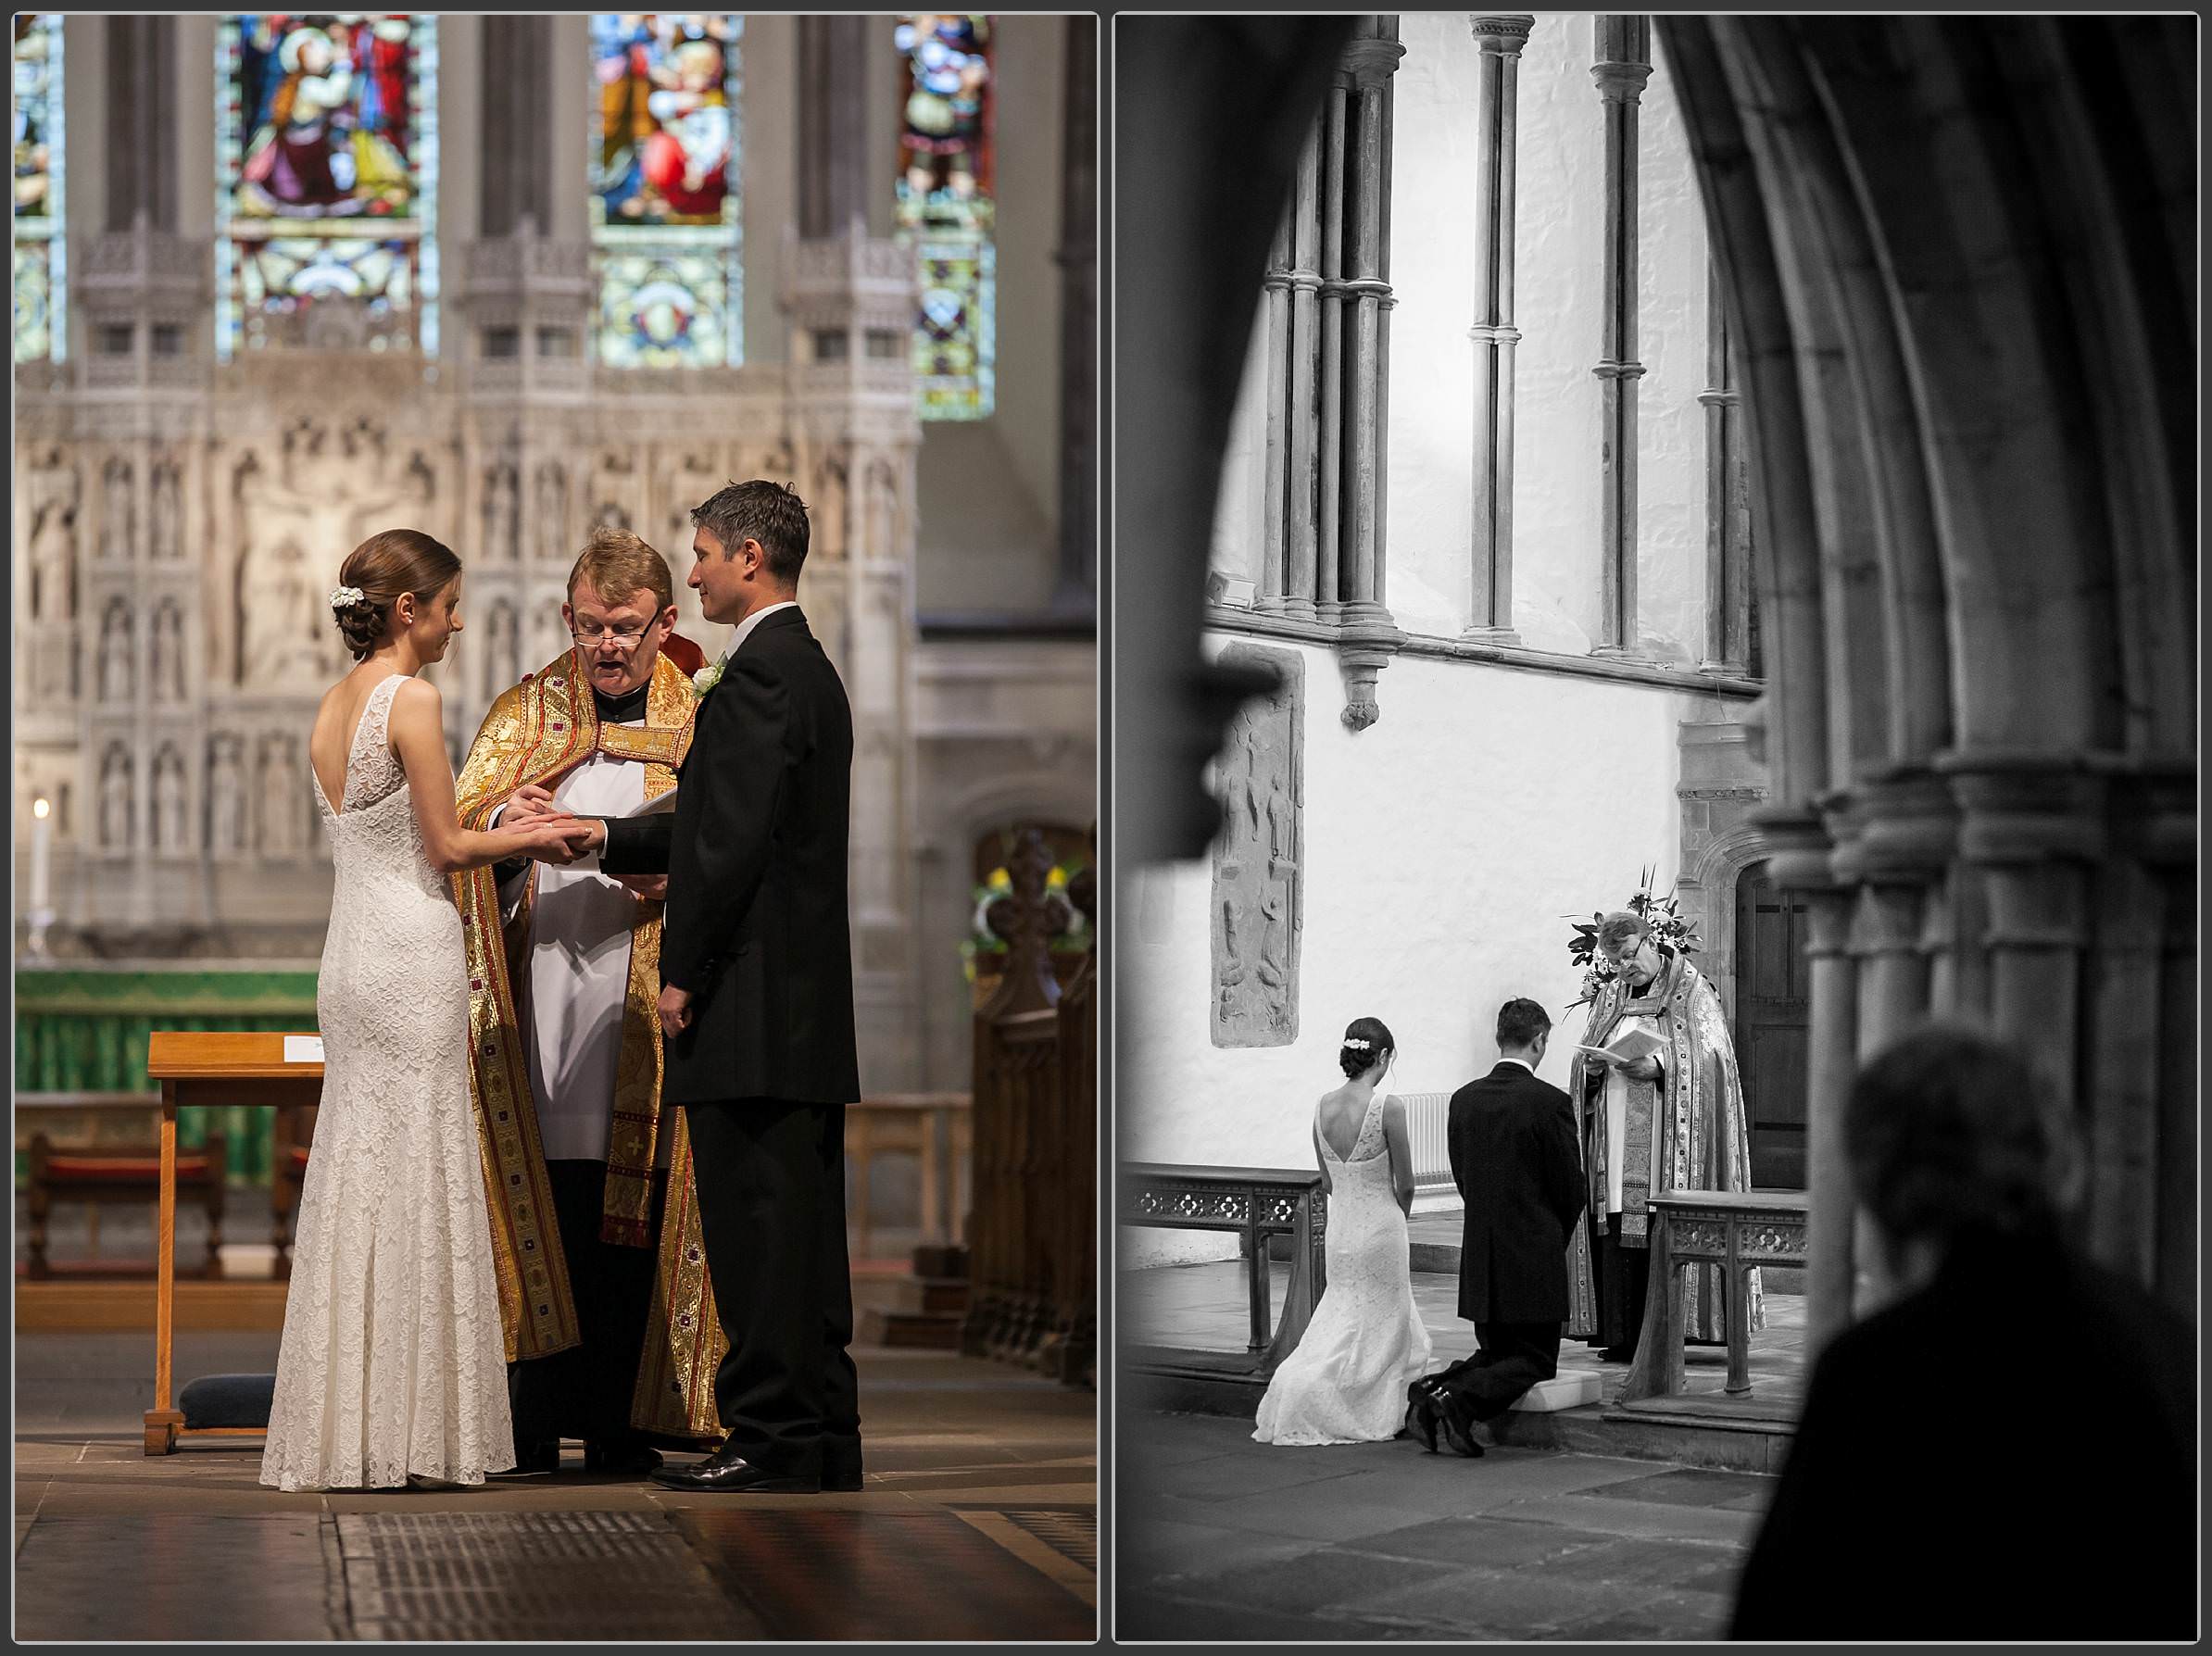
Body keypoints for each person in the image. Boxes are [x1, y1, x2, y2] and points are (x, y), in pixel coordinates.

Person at [261, 530, 591, 1492]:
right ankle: (413, 1434)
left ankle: (352, 1427)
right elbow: (443, 849)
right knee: (422, 1177)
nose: (454, 623)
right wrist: (538, 832)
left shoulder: (332, 705)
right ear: (409, 610)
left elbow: (410, 828)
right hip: (410, 952)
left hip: (348, 959)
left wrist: (499, 818)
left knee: (360, 1182)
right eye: (448, 606)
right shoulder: (412, 698)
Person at [575, 480, 864, 1495]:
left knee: (758, 1237)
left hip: (751, 1008)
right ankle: (820, 1437)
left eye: (700, 554)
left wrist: (683, 975)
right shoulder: (804, 669)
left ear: (749, 557)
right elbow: (715, 822)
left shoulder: (758, 680)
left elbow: (727, 847)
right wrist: (600, 834)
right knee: (800, 1235)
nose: (689, 572)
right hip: (800, 1015)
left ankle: (773, 1437)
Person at [1730, 1025, 2193, 1639]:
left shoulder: (1879, 1368)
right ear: (2056, 1158)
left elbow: (1785, 1615)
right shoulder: (2161, 1334)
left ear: (1884, 1183)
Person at [450, 527, 729, 1477]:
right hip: (540, 1002)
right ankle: (529, 1426)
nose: (608, 645)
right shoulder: (523, 713)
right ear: (566, 619)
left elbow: (734, 854)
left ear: (665, 624)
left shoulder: (698, 723)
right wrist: (504, 831)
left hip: (640, 1007)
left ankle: (622, 1426)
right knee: (543, 1206)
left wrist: (673, 884)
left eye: (627, 629)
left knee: (629, 1219)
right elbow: (456, 833)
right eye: (592, 627)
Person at [1567, 908, 1760, 1359]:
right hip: (1614, 1150)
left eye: (1630, 956)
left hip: (1669, 1150)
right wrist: (1591, 1068)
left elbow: (1715, 1062)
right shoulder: (1612, 996)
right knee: (1618, 1230)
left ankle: (1671, 1332)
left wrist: (1661, 1067)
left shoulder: (1693, 991)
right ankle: (1620, 1335)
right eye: (1616, 962)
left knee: (1659, 1229)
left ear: (1650, 942)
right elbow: (1584, 1059)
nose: (1624, 968)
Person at [1410, 997, 1586, 1457]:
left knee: (1496, 1354)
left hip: (1483, 1253)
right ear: (1540, 1040)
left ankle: (1431, 1393)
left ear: (1499, 1038)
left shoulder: (1464, 1099)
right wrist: (1551, 1236)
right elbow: (1571, 1188)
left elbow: (1461, 1173)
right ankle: (1457, 1399)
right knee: (1534, 1359)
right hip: (1531, 1252)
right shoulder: (1550, 1103)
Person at [1252, 1017, 1433, 1446]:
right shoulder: (1388, 1106)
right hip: (1382, 1226)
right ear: (1384, 1056)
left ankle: (1300, 1383)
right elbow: (1405, 1182)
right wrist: (1397, 1218)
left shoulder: (1322, 1106)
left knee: (1341, 1311)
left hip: (1342, 1227)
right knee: (1381, 1318)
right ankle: (1359, 1396)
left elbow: (1329, 1182)